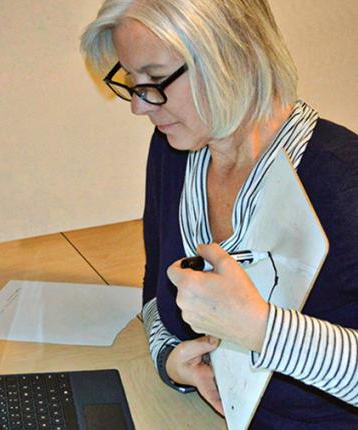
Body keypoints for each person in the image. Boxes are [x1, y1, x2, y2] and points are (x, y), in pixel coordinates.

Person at [80, 0, 358, 427]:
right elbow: (156, 293)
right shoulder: (175, 151)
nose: (139, 106)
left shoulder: (343, 180)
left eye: (156, 79)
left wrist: (263, 328)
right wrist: (168, 358)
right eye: (131, 80)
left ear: (234, 58)